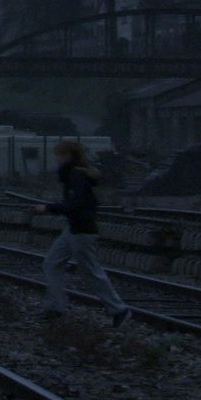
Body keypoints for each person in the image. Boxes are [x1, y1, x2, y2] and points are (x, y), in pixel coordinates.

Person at [33, 140, 132, 327]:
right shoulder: (73, 175)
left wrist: (47, 208)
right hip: (73, 229)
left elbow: (75, 205)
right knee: (51, 263)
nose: (56, 158)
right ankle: (56, 307)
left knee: (91, 271)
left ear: (68, 155)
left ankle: (120, 310)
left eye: (59, 154)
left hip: (82, 230)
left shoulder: (76, 177)